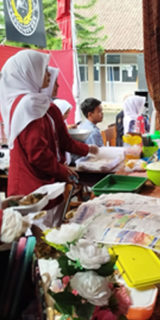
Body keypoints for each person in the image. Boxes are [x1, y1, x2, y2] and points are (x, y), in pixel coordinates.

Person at [0, 50, 98, 219]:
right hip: (31, 185)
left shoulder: (37, 104)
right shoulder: (27, 104)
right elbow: (38, 153)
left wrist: (87, 150)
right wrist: (63, 171)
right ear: (29, 72)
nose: (47, 74)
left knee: (49, 229)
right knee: (37, 236)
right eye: (43, 70)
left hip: (45, 180)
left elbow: (61, 141)